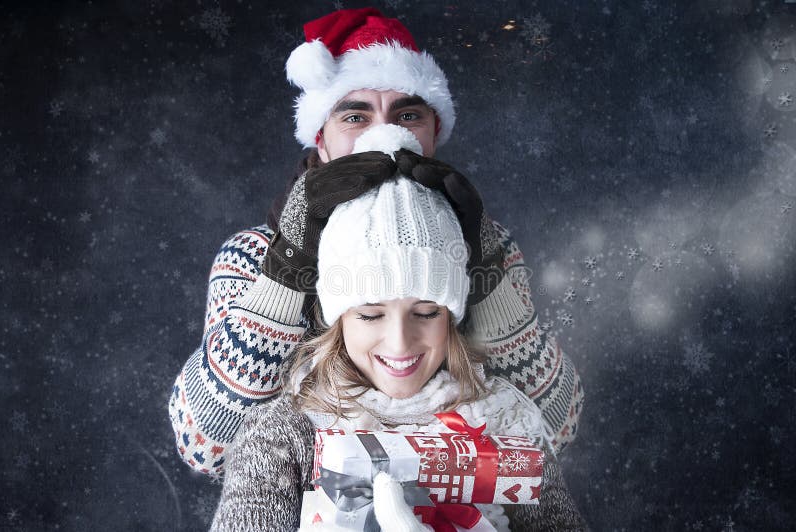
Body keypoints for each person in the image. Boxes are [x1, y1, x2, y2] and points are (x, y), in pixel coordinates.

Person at [168, 7, 584, 478]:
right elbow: (206, 448)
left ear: (433, 134)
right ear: (320, 139)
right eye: (355, 116)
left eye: (408, 115)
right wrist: (288, 269)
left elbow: (554, 432)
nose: (386, 136)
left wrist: (485, 268)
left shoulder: (490, 246)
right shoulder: (251, 258)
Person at [208, 156, 585, 531]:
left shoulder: (507, 423)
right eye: (371, 315)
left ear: (452, 318)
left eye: (425, 313)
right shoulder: (284, 436)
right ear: (337, 320)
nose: (400, 343)